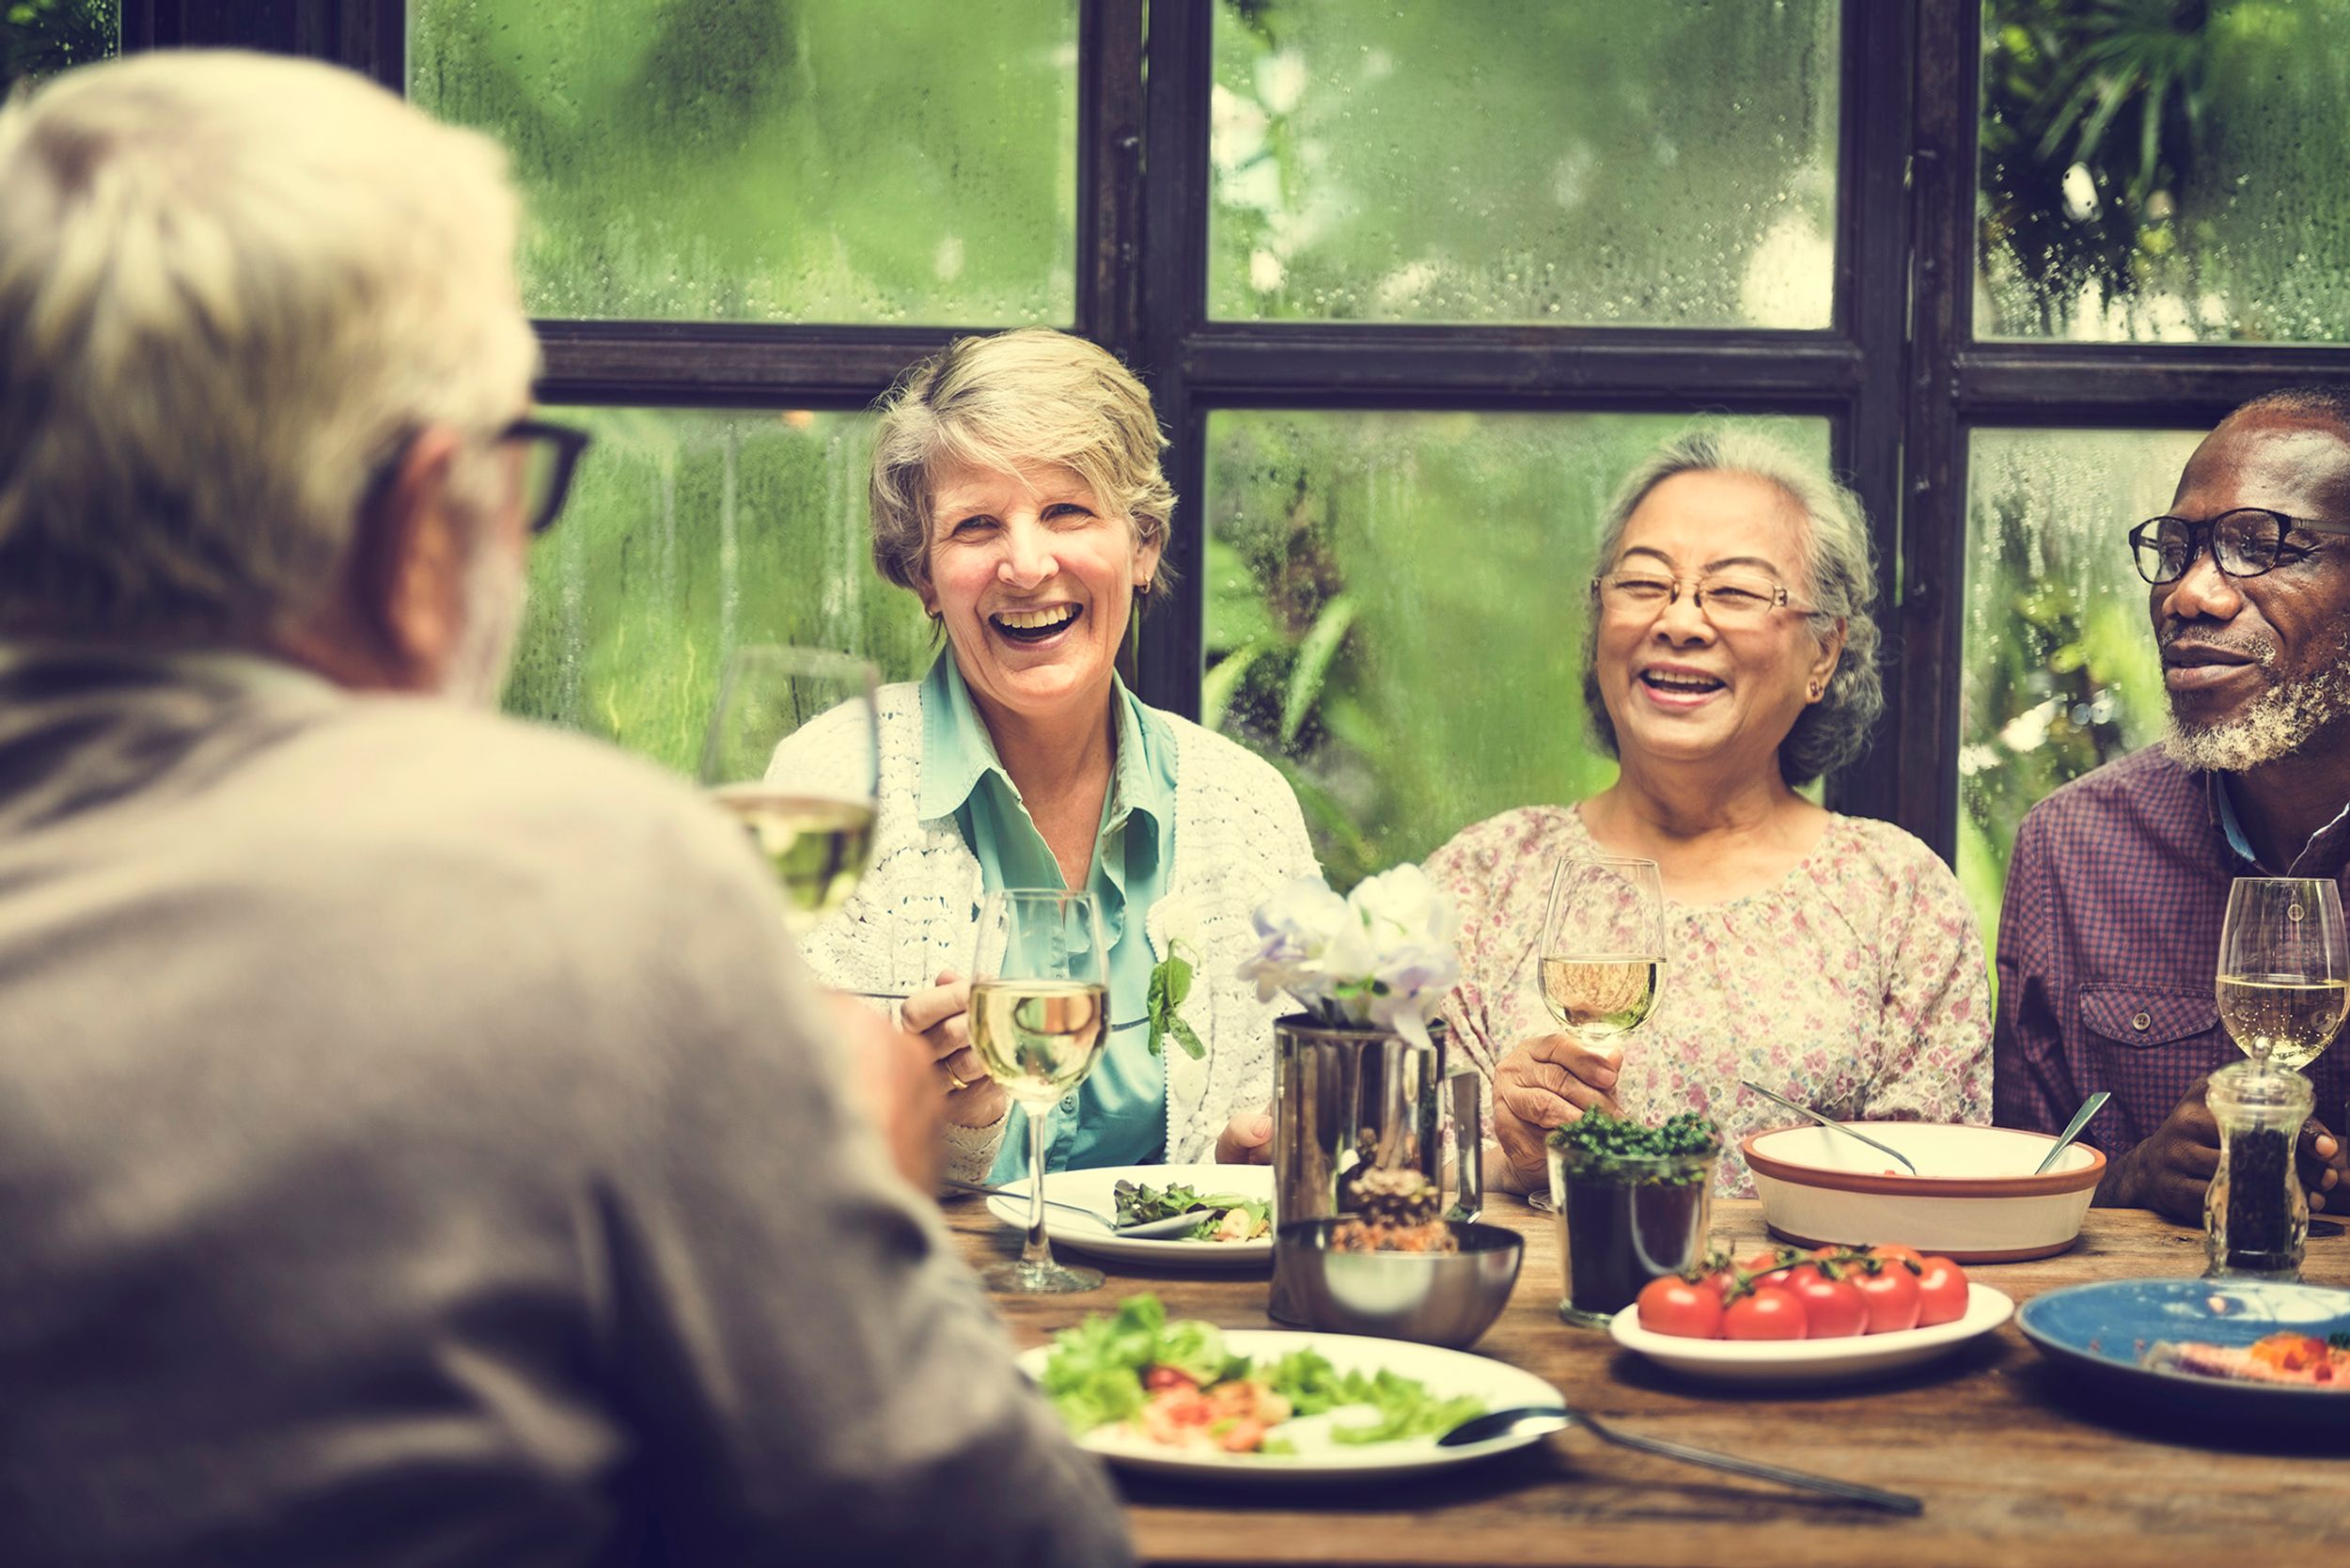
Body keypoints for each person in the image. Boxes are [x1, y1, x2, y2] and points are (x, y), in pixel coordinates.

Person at [0, 53, 1128, 1566]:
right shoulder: (592, 887)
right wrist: (863, 1177)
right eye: (518, 475)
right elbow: (993, 1540)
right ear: (418, 526)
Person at [779, 328, 1320, 1185]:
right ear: (923, 575)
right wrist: (952, 1132)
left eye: (1067, 512)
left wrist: (1236, 1171)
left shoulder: (1247, 806)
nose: (1026, 566)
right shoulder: (834, 785)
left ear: (1142, 546)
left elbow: (1284, 1136)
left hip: (1173, 1319)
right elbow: (772, 1152)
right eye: (976, 526)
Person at [1426, 430, 1991, 1198]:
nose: (1681, 622)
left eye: (1733, 591)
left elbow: (1932, 1194)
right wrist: (1522, 1158)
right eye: (1643, 583)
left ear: (1824, 653)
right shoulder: (1481, 880)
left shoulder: (1899, 895)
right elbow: (1401, 1176)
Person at [1995, 388, 2350, 1225]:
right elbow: (2014, 1194)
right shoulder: (2072, 847)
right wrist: (2139, 1176)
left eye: (2256, 546)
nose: (2189, 596)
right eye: (2178, 550)